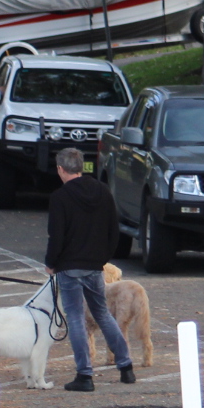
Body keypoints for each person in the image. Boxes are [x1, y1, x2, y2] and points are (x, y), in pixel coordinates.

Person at [45, 146, 135, 391]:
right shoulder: (102, 191)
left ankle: (84, 375)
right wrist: (102, 258)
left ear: (60, 169)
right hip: (95, 266)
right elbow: (113, 229)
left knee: (75, 317)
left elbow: (56, 235)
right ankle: (125, 366)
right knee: (102, 313)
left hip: (69, 266)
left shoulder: (60, 197)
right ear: (82, 166)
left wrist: (51, 263)